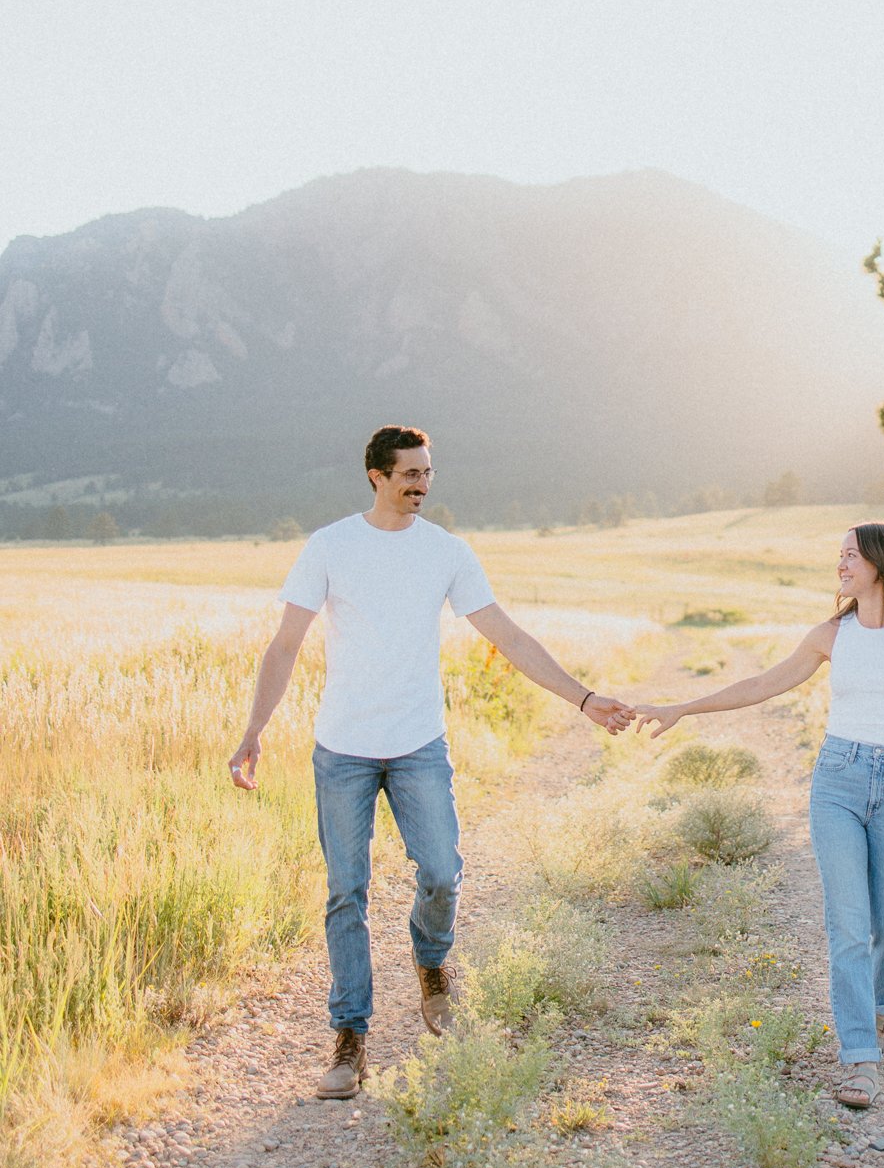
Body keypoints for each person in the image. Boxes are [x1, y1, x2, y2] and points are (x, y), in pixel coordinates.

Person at [228, 424, 634, 1100]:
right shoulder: (329, 546)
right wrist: (254, 730)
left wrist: (582, 698)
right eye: (409, 474)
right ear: (376, 477)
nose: (421, 484)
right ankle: (350, 1037)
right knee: (344, 893)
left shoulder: (445, 552)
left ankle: (431, 967)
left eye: (427, 474)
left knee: (442, 872)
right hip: (343, 753)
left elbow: (506, 634)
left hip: (418, 745)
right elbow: (284, 645)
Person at [632, 521, 884, 1110]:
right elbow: (763, 684)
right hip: (838, 783)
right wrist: (684, 706)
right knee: (849, 925)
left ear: (881, 562)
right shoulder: (831, 635)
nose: (841, 564)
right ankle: (859, 1058)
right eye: (840, 555)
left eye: (851, 555)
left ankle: (878, 1012)